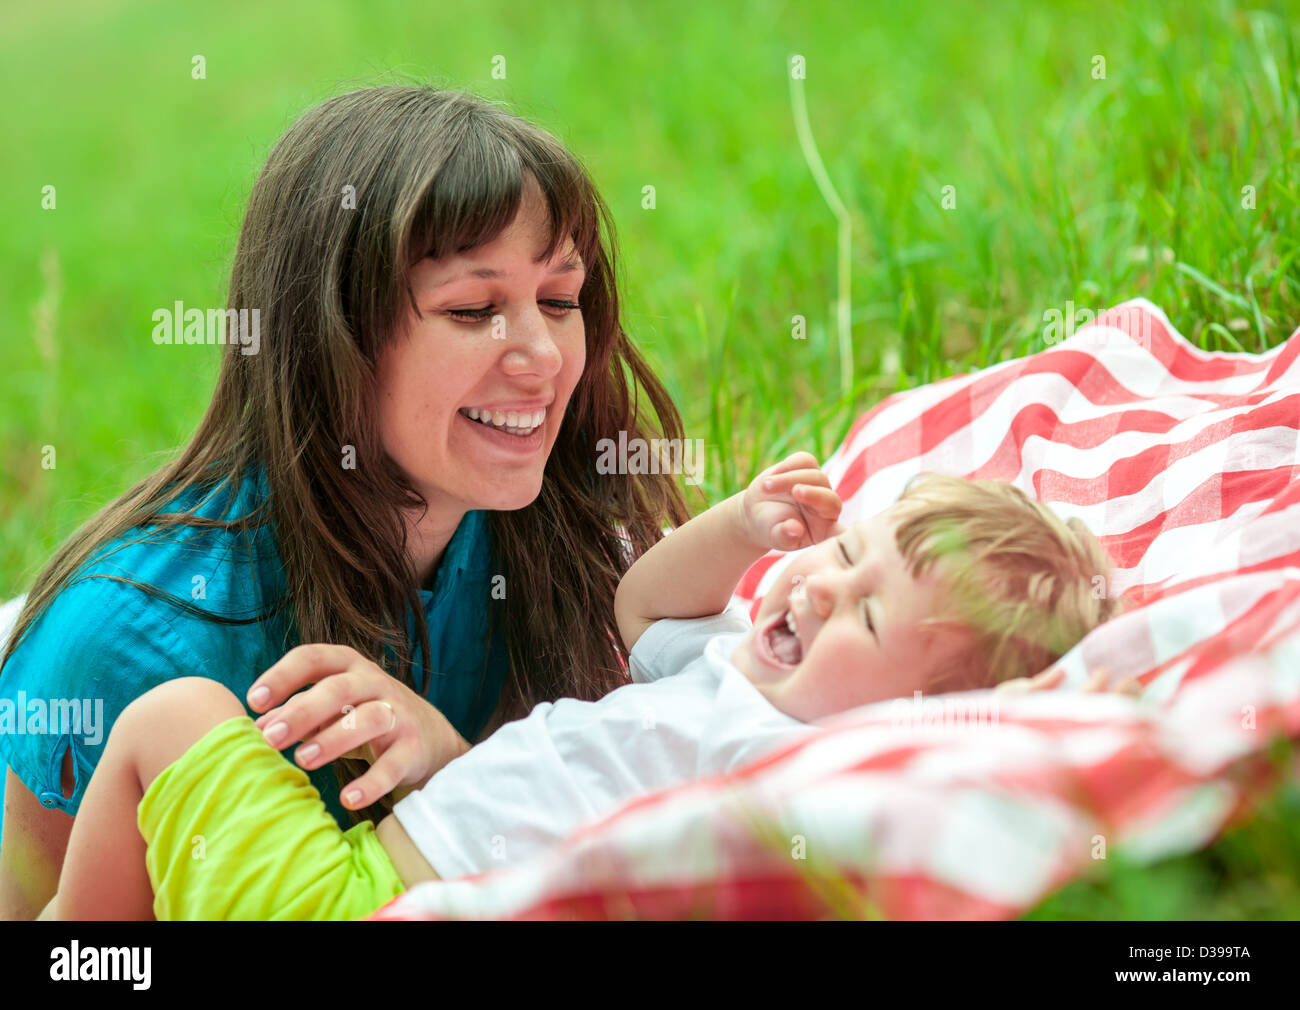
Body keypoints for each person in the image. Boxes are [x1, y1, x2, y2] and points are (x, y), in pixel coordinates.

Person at [0, 84, 692, 919]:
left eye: (558, 300)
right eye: (473, 309)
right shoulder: (128, 643)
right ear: (327, 336)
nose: (543, 355)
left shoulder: (548, 534)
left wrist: (450, 764)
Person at [44, 452, 1129, 919]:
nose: (820, 590)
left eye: (870, 614)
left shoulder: (786, 768)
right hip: (369, 867)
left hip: (364, 902)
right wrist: (745, 527)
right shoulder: (728, 678)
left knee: (175, 717)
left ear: (909, 717)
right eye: (843, 558)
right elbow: (641, 608)